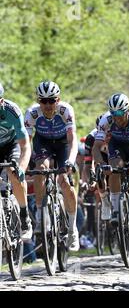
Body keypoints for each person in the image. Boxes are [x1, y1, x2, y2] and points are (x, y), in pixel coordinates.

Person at [92, 93, 129, 253]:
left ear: (127, 110)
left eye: (119, 113)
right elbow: (97, 147)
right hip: (117, 145)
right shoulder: (107, 120)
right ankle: (116, 208)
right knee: (114, 169)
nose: (116, 117)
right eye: (113, 113)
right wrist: (102, 165)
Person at [24, 81, 79, 250]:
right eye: (43, 101)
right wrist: (24, 163)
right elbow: (26, 141)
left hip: (63, 144)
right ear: (38, 101)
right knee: (40, 170)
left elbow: (72, 139)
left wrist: (70, 159)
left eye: (51, 100)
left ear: (58, 100)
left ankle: (72, 228)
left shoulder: (65, 110)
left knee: (64, 181)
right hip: (43, 143)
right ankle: (41, 216)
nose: (47, 105)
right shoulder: (32, 113)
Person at [0, 83, 33, 240]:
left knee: (14, 173)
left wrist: (21, 167)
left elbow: (25, 146)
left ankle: (24, 215)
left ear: (1, 101)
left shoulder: (12, 111)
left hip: (13, 144)